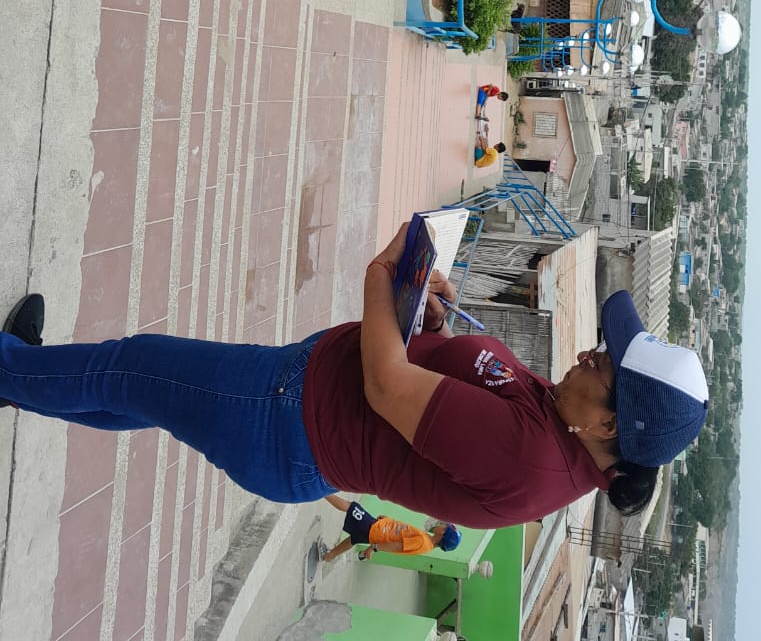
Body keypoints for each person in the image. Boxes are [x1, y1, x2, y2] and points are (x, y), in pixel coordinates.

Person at [0, 222, 708, 527]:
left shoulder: (532, 459)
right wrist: (430, 318)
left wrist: (380, 275)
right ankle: (22, 377)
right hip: (295, 404)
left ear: (608, 425)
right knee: (135, 391)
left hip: (283, 420)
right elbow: (444, 387)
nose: (587, 354)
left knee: (130, 367)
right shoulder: (558, 418)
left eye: (602, 364)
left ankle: (10, 369)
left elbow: (388, 388)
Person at [318, 493, 460, 563]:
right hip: (378, 530)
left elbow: (397, 546)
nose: (441, 524)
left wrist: (374, 548)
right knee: (353, 538)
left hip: (375, 532)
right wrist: (388, 521)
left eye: (444, 526)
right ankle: (330, 555)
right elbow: (401, 532)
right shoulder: (426, 541)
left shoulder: (423, 542)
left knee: (351, 507)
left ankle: (320, 491)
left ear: (442, 533)